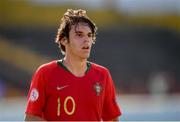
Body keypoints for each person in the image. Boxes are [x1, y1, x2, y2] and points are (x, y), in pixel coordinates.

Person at [25, 9, 121, 121]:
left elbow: (112, 119)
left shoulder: (102, 74)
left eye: (89, 35)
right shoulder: (45, 73)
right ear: (64, 40)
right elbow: (31, 119)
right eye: (79, 35)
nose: (86, 40)